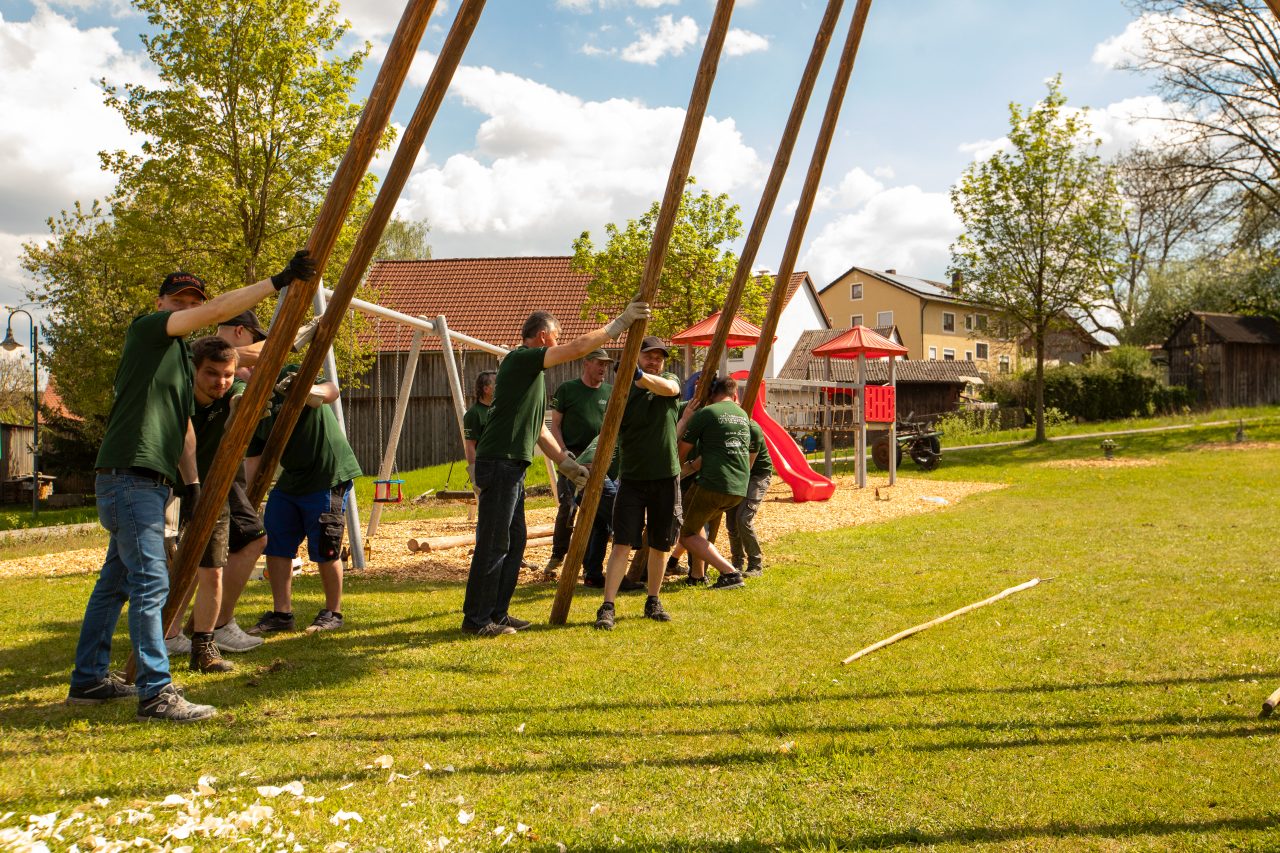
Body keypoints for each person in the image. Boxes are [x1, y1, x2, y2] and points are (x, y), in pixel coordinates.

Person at [68, 251, 314, 723]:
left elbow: (183, 427)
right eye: (177, 299)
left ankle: (89, 679)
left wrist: (194, 484)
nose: (184, 306)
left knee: (115, 583)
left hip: (149, 481)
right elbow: (217, 313)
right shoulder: (147, 332)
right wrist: (277, 281)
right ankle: (157, 693)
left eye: (191, 300)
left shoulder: (180, 362)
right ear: (160, 302)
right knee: (150, 582)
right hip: (129, 478)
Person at [462, 303, 649, 637]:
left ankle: (498, 613)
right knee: (494, 543)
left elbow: (539, 430)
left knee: (514, 542)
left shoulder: (530, 377)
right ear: (544, 336)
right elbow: (578, 348)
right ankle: (476, 620)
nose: (560, 343)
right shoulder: (521, 359)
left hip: (512, 465)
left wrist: (566, 464)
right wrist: (620, 323)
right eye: (556, 337)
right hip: (499, 462)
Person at [246, 362, 362, 636]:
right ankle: (281, 614)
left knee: (325, 545)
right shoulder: (251, 401)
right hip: (292, 480)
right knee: (275, 543)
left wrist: (310, 390)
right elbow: (254, 459)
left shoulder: (289, 372)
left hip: (328, 473)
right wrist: (247, 501)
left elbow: (332, 390)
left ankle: (333, 612)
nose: (243, 372)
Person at [594, 336, 684, 631]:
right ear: (637, 357)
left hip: (665, 475)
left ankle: (653, 600)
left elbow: (670, 388)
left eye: (659, 357)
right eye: (649, 356)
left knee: (660, 543)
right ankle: (608, 606)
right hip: (632, 478)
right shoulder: (621, 392)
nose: (655, 361)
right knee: (621, 543)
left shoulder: (667, 381)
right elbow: (608, 425)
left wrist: (642, 376)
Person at [678, 376, 755, 590]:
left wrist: (671, 471)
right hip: (738, 487)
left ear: (710, 395)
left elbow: (681, 452)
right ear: (735, 394)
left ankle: (730, 573)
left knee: (685, 534)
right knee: (695, 522)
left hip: (713, 483)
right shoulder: (742, 415)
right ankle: (697, 575)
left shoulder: (707, 413)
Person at [544, 349, 613, 578]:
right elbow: (555, 426)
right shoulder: (568, 389)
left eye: (606, 364)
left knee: (596, 512)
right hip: (572, 456)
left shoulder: (610, 392)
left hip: (600, 459)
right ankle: (558, 555)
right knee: (568, 507)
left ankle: (590, 567)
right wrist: (563, 453)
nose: (603, 368)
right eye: (599, 363)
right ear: (586, 364)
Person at [726, 416, 773, 577]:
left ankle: (755, 564)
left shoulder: (752, 428)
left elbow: (748, 466)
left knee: (743, 517)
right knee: (732, 521)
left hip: (756, 475)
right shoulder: (725, 426)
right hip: (737, 474)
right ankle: (737, 563)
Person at [463, 370, 496, 485]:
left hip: (503, 467)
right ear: (486, 389)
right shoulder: (474, 414)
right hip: (487, 469)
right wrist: (474, 478)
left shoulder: (499, 409)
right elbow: (470, 446)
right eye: (496, 383)